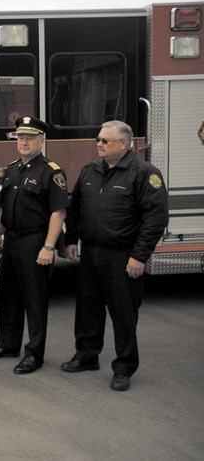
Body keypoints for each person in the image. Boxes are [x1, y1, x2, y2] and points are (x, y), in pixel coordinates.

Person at [61, 120, 168, 391]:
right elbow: (75, 209)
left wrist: (139, 257)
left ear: (123, 144)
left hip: (123, 256)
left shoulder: (144, 174)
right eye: (98, 139)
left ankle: (124, 368)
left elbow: (155, 219)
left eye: (104, 141)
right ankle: (86, 356)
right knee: (87, 309)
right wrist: (70, 239)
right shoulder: (90, 170)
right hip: (91, 253)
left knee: (123, 314)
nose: (98, 144)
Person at [0, 116, 68, 374]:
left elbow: (58, 212)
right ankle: (8, 344)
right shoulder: (12, 169)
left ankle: (34, 354)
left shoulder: (51, 171)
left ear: (42, 140)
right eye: (20, 137)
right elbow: (5, 206)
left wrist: (49, 247)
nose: (24, 142)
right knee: (9, 296)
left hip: (35, 241)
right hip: (12, 241)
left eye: (30, 137)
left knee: (34, 300)